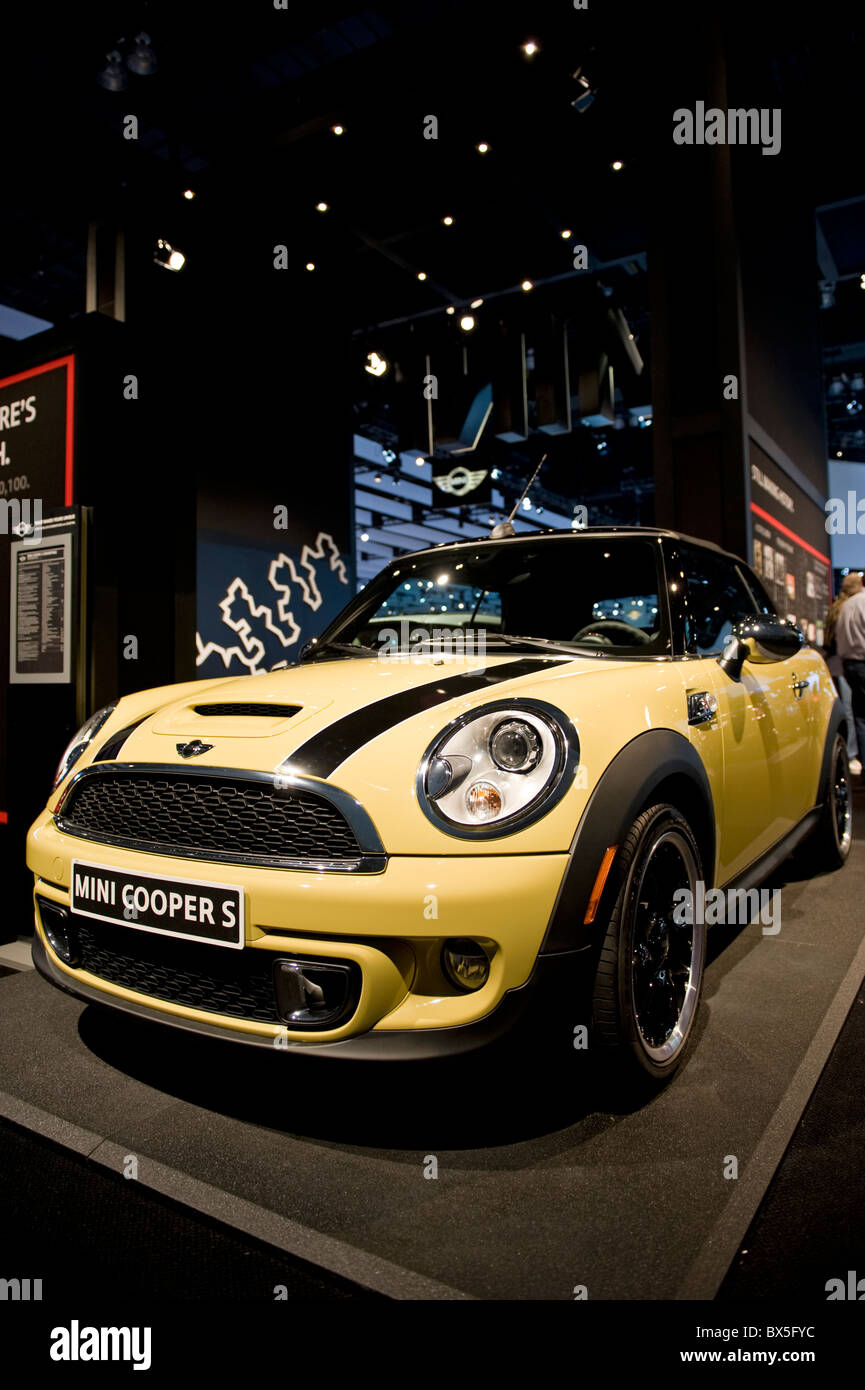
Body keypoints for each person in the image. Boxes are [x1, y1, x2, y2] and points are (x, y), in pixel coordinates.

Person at [826, 573, 863, 775]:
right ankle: (851, 755)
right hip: (850, 662)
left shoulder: (838, 608)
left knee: (853, 712)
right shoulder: (854, 605)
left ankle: (854, 757)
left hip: (842, 664)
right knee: (850, 711)